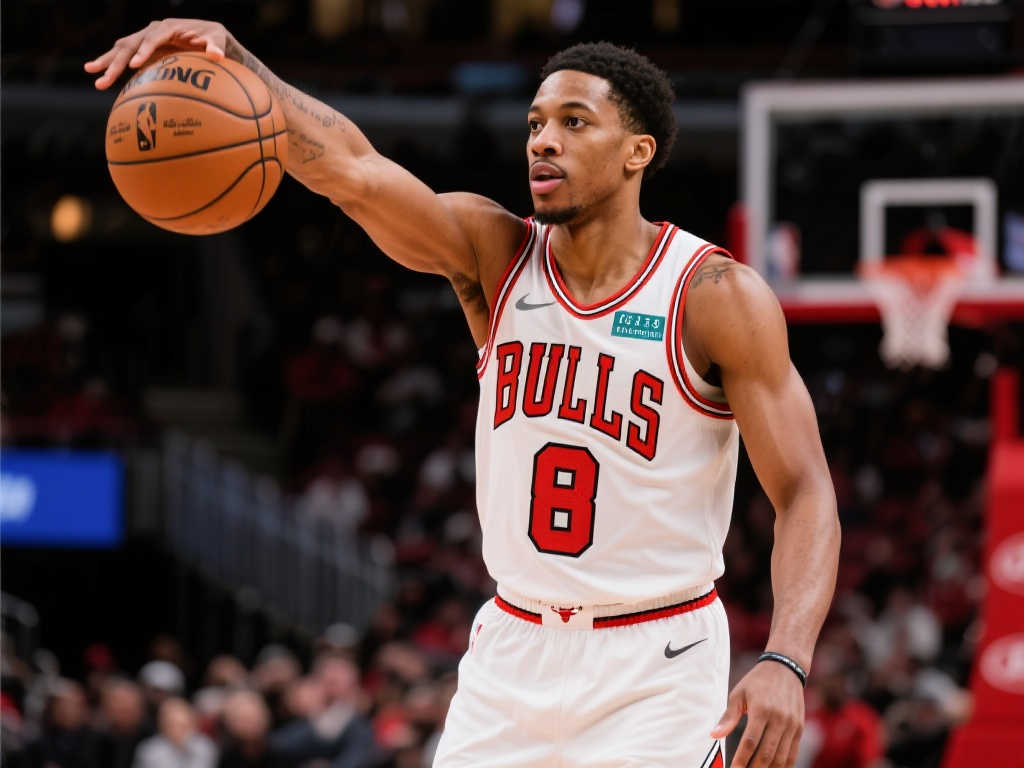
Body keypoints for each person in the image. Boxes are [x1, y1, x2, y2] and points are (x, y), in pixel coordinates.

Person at [86, 21, 841, 768]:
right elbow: (354, 171)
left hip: (657, 660)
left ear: (637, 152)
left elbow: (805, 491)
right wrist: (238, 61)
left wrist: (787, 658)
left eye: (574, 122)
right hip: (512, 649)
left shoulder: (713, 295)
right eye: (536, 124)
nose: (543, 141)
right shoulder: (495, 251)